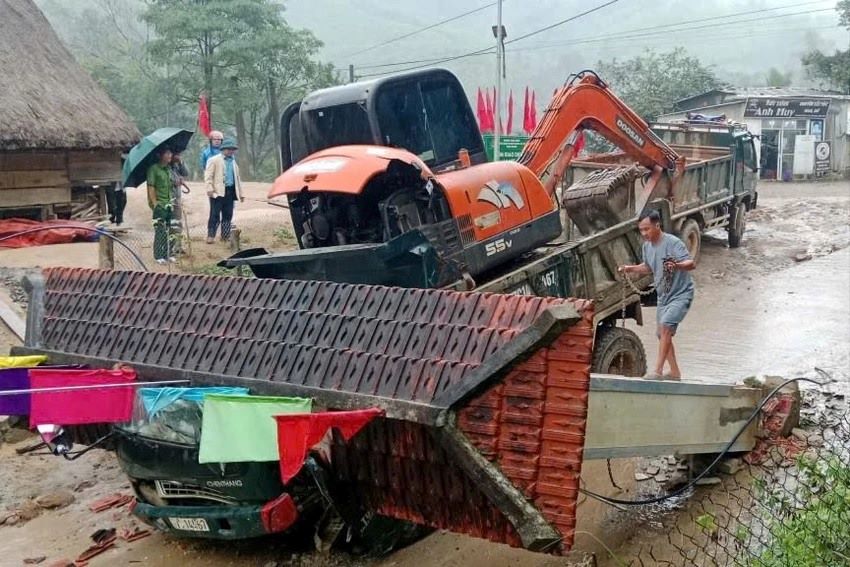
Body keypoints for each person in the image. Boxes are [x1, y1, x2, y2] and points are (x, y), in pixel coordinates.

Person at [619, 210, 695, 380]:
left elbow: (691, 263)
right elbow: (648, 267)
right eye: (641, 230)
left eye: (647, 229)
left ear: (657, 225)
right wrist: (630, 269)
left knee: (666, 326)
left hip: (681, 294)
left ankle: (658, 371)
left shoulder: (673, 243)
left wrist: (677, 265)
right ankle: (674, 372)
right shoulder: (647, 247)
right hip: (663, 297)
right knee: (661, 334)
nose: (644, 233)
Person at [204, 137, 243, 244]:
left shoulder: (234, 162)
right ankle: (211, 235)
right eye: (228, 149)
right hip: (218, 192)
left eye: (232, 149)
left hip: (230, 191)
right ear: (223, 149)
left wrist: (241, 193)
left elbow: (238, 179)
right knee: (214, 214)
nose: (231, 151)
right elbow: (208, 176)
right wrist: (210, 189)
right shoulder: (214, 160)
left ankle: (225, 236)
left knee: (228, 214)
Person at [146, 146, 175, 264]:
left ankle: (168, 254)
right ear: (160, 155)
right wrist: (155, 203)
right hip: (160, 205)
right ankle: (158, 256)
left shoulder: (168, 169)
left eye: (170, 153)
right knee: (160, 230)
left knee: (170, 229)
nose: (170, 156)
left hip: (169, 204)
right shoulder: (153, 169)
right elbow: (151, 187)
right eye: (167, 153)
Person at [169, 151, 190, 254]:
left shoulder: (176, 165)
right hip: (168, 198)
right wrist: (174, 182)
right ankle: (170, 247)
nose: (177, 156)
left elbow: (186, 173)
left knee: (178, 223)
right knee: (170, 224)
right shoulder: (164, 167)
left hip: (177, 198)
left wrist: (181, 162)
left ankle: (178, 246)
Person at [105, 154, 128, 226]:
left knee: (122, 202)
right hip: (111, 186)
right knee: (112, 205)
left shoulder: (124, 166)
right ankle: (111, 220)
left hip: (120, 187)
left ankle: (119, 221)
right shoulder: (111, 164)